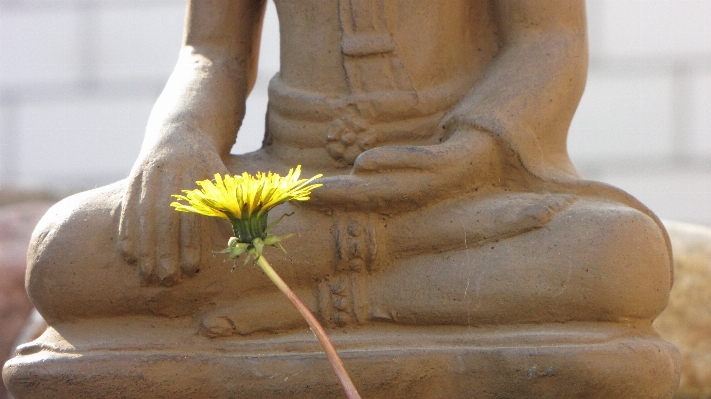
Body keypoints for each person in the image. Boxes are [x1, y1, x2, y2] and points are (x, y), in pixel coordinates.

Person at [7, 2, 678, 397]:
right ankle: (375, 270)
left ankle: (308, 294)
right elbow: (210, 50)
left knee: (620, 256)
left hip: (457, 189)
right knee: (65, 253)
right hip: (285, 189)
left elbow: (548, 40)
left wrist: (465, 155)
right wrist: (179, 140)